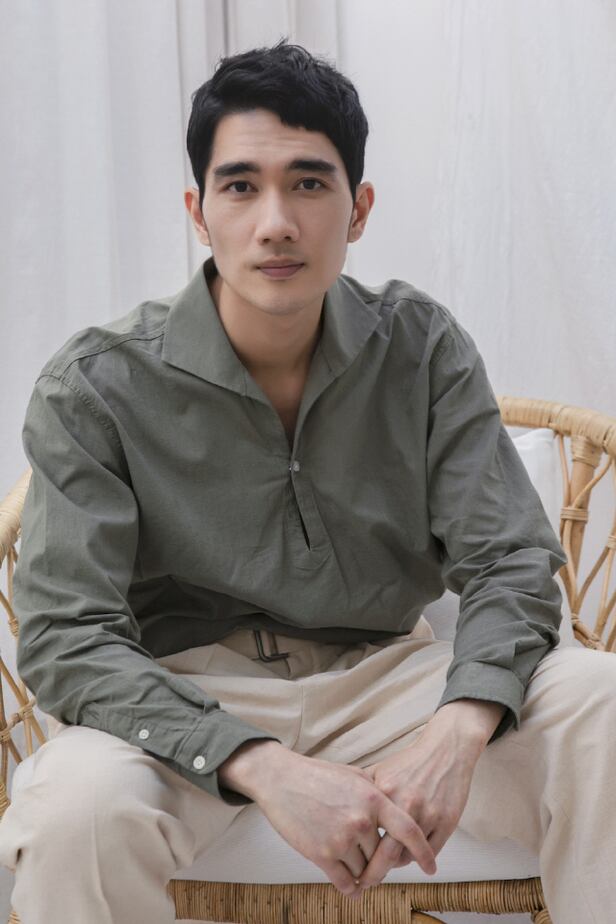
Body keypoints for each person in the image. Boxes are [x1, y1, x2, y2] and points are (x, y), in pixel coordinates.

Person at [1, 38, 614, 924]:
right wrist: (259, 763)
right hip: (183, 691)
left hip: (393, 681)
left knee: (602, 705)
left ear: (358, 209)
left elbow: (511, 561)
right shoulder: (95, 386)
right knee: (74, 813)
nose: (276, 222)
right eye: (240, 186)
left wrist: (458, 725)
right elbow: (67, 635)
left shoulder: (422, 348)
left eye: (309, 183)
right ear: (198, 210)